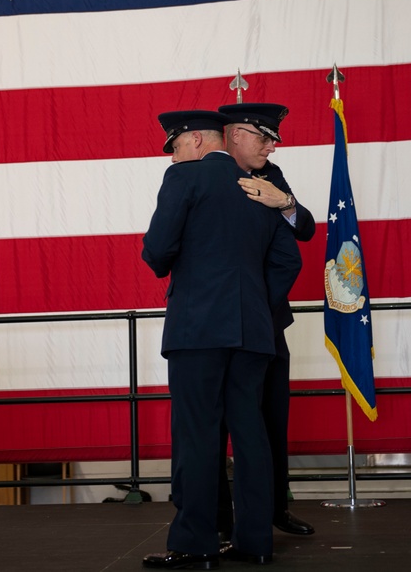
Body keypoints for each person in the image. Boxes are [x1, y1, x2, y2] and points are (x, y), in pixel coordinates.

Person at [141, 110, 303, 569]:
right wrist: (250, 303)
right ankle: (254, 542)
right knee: (250, 433)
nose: (172, 158)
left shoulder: (184, 178)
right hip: (253, 330)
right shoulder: (262, 188)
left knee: (197, 433)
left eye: (173, 148)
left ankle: (196, 543)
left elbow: (157, 250)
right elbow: (288, 262)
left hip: (198, 328)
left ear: (193, 141)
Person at [215, 102, 317, 539]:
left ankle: (276, 507)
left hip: (268, 321)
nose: (273, 146)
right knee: (217, 424)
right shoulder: (207, 174)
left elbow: (306, 229)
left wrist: (286, 203)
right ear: (236, 134)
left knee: (272, 417)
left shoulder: (272, 177)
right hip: (221, 321)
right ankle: (219, 519)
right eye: (264, 137)